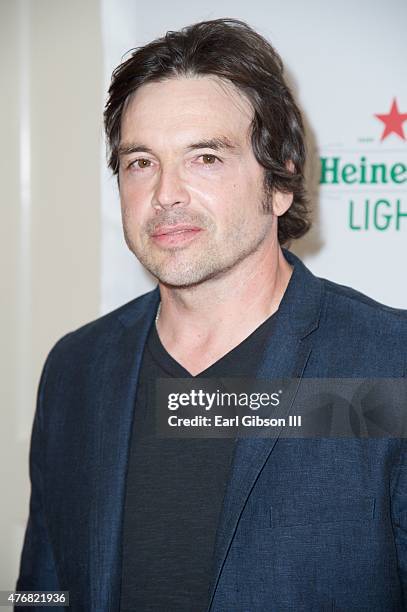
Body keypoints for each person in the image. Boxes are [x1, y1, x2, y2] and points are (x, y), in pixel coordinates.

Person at [16, 18, 407, 611]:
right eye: (141, 162)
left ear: (279, 183)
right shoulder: (76, 368)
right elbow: (43, 592)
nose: (166, 193)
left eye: (205, 158)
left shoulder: (387, 363)